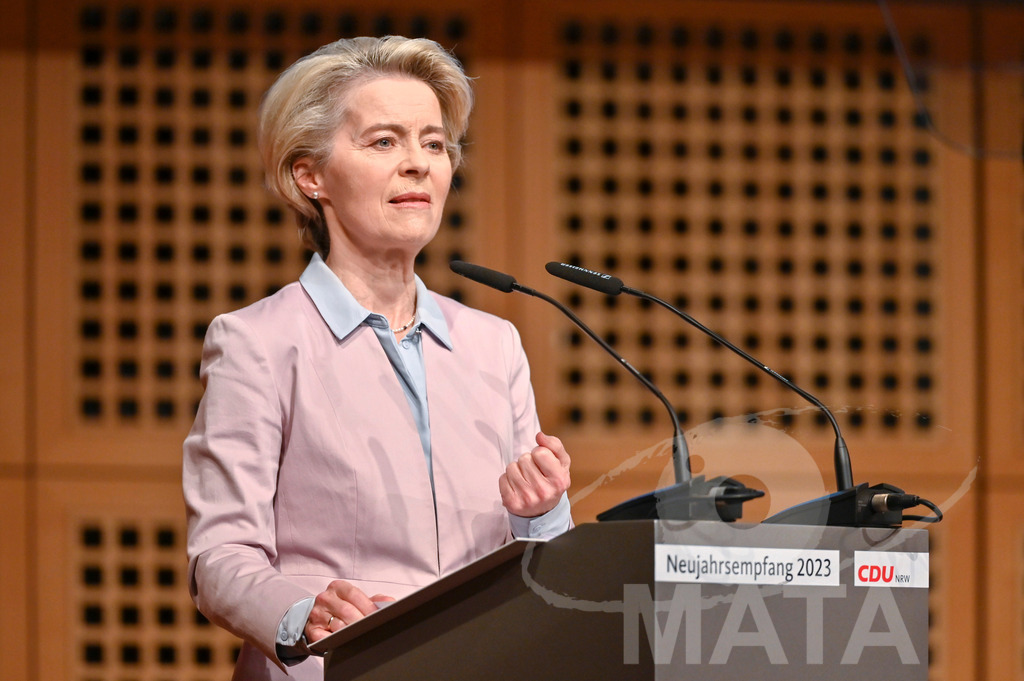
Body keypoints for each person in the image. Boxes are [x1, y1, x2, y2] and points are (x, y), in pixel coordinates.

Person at [182, 35, 573, 681]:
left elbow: (538, 568)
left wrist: (540, 514)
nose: (418, 163)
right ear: (310, 175)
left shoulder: (493, 342)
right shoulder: (258, 342)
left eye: (434, 143)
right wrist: (299, 611)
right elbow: (221, 557)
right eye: (385, 141)